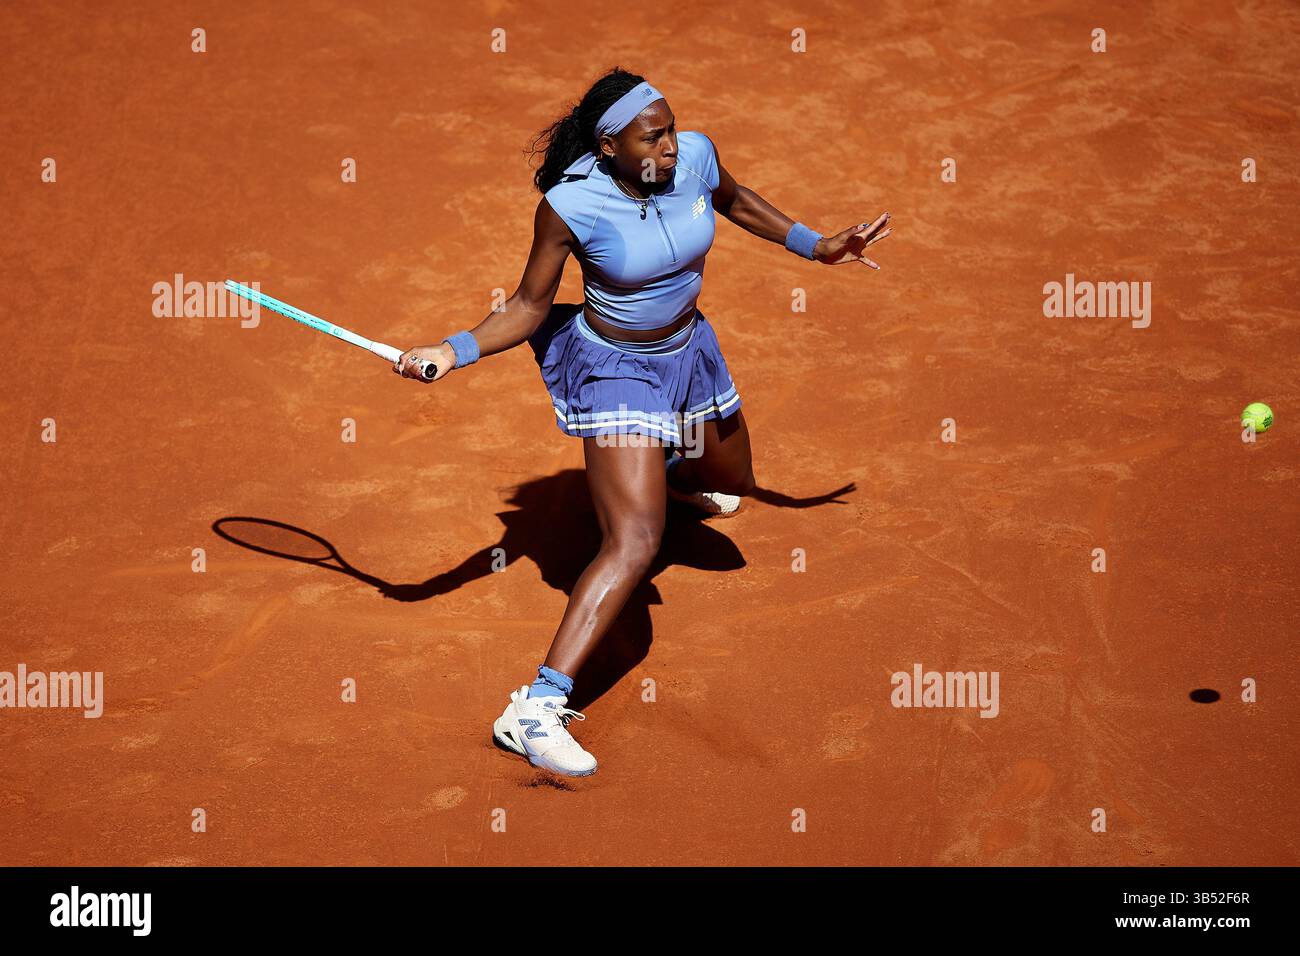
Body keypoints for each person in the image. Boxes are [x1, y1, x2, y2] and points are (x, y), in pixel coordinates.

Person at [394, 67, 891, 777]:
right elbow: (531, 305)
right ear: (608, 146)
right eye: (651, 138)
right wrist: (452, 350)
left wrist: (817, 245)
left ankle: (652, 469)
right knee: (635, 539)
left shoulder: (694, 158)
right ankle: (535, 709)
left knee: (732, 481)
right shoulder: (571, 207)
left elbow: (735, 199)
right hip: (616, 373)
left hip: (689, 351)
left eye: (670, 131)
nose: (669, 148)